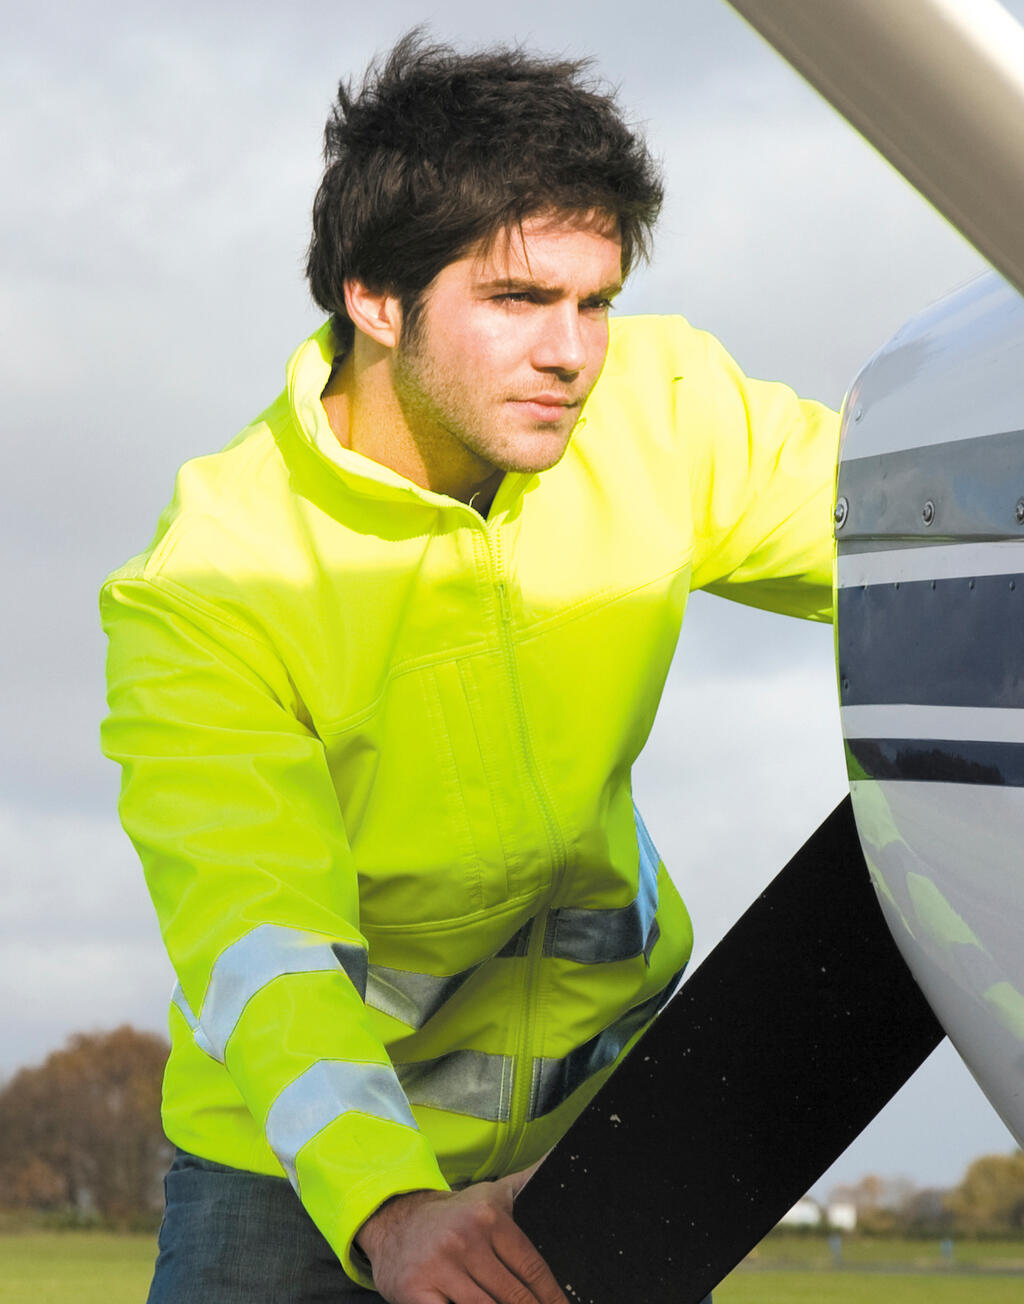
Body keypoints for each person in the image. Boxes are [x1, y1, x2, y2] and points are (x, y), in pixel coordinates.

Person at [101, 32, 837, 1304]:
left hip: (596, 1128)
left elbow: (918, 533)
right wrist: (387, 1204)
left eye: (594, 301)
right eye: (516, 298)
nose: (572, 352)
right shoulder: (209, 583)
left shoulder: (663, 407)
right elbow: (257, 936)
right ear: (374, 299)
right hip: (302, 1168)